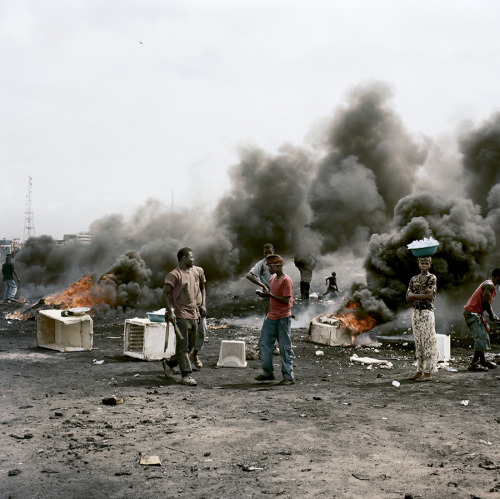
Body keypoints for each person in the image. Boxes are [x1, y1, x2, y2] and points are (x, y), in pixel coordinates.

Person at [255, 254, 295, 385]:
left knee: (285, 347)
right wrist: (265, 295)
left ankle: (288, 376)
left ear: (278, 266)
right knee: (264, 344)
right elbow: (274, 297)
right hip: (271, 317)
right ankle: (268, 373)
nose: (269, 269)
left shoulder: (286, 280)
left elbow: (285, 299)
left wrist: (270, 295)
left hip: (283, 318)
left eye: (271, 266)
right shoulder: (272, 280)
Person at [162, 247, 199, 386]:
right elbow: (164, 294)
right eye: (191, 257)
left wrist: (197, 310)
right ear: (184, 258)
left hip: (193, 315)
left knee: (190, 347)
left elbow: (193, 296)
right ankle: (186, 375)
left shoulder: (191, 274)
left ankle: (169, 363)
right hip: (181, 315)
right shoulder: (174, 274)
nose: (193, 259)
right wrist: (170, 312)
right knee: (182, 347)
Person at [406, 256, 439, 382]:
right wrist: (420, 295)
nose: (424, 265)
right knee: (418, 342)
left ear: (430, 264)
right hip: (416, 312)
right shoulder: (414, 279)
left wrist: (414, 295)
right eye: (422, 263)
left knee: (428, 341)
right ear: (418, 264)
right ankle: (419, 370)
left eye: (426, 263)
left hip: (426, 312)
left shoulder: (432, 278)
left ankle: (429, 373)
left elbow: (431, 295)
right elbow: (407, 297)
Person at [463, 268, 500, 371]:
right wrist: (492, 316)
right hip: (472, 313)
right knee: (481, 336)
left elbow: (486, 303)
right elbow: (486, 303)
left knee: (483, 335)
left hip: (475, 313)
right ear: (498, 276)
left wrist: (494, 316)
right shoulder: (489, 285)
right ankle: (474, 364)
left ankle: (483, 361)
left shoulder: (489, 284)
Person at [190, 265, 207, 370]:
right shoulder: (178, 273)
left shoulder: (199, 270)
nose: (192, 259)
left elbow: (203, 288)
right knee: (186, 336)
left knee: (202, 331)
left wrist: (204, 305)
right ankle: (175, 363)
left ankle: (194, 355)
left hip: (199, 308)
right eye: (190, 257)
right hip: (186, 309)